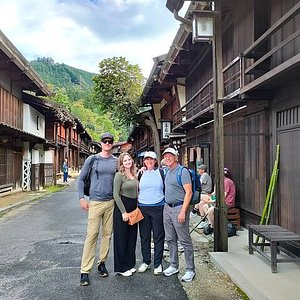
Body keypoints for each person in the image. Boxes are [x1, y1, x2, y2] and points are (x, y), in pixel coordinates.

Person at [77, 132, 118, 286]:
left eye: (110, 141)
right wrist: (81, 198)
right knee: (92, 234)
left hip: (111, 202)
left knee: (107, 234)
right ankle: (84, 271)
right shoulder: (92, 159)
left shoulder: (116, 161)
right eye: (104, 141)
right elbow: (81, 179)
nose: (107, 143)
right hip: (95, 202)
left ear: (112, 143)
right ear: (101, 143)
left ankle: (102, 263)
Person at [162, 147, 196, 282]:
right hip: (167, 208)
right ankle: (174, 265)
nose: (168, 158)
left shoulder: (182, 171)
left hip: (179, 208)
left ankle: (190, 269)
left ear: (176, 157)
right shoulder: (166, 171)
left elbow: (189, 192)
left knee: (184, 240)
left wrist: (183, 211)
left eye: (170, 156)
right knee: (170, 239)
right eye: (166, 156)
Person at [137, 151, 165, 275]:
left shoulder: (161, 172)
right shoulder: (140, 173)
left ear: (155, 161)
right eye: (146, 159)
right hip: (143, 207)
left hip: (158, 206)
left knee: (158, 236)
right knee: (144, 236)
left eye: (151, 159)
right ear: (144, 161)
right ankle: (146, 261)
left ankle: (158, 264)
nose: (149, 161)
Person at [113, 152, 139, 277]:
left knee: (132, 237)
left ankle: (130, 264)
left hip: (134, 208)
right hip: (123, 208)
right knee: (121, 238)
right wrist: (123, 212)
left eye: (129, 160)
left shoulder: (134, 174)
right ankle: (121, 267)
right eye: (125, 160)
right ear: (121, 163)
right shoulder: (119, 175)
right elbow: (115, 194)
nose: (128, 162)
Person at [206, 167, 236, 233]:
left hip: (227, 202)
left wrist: (213, 201)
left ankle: (215, 229)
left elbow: (223, 196)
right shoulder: (220, 181)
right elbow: (214, 193)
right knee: (205, 206)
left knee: (210, 210)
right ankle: (211, 224)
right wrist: (210, 196)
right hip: (221, 201)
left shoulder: (226, 181)